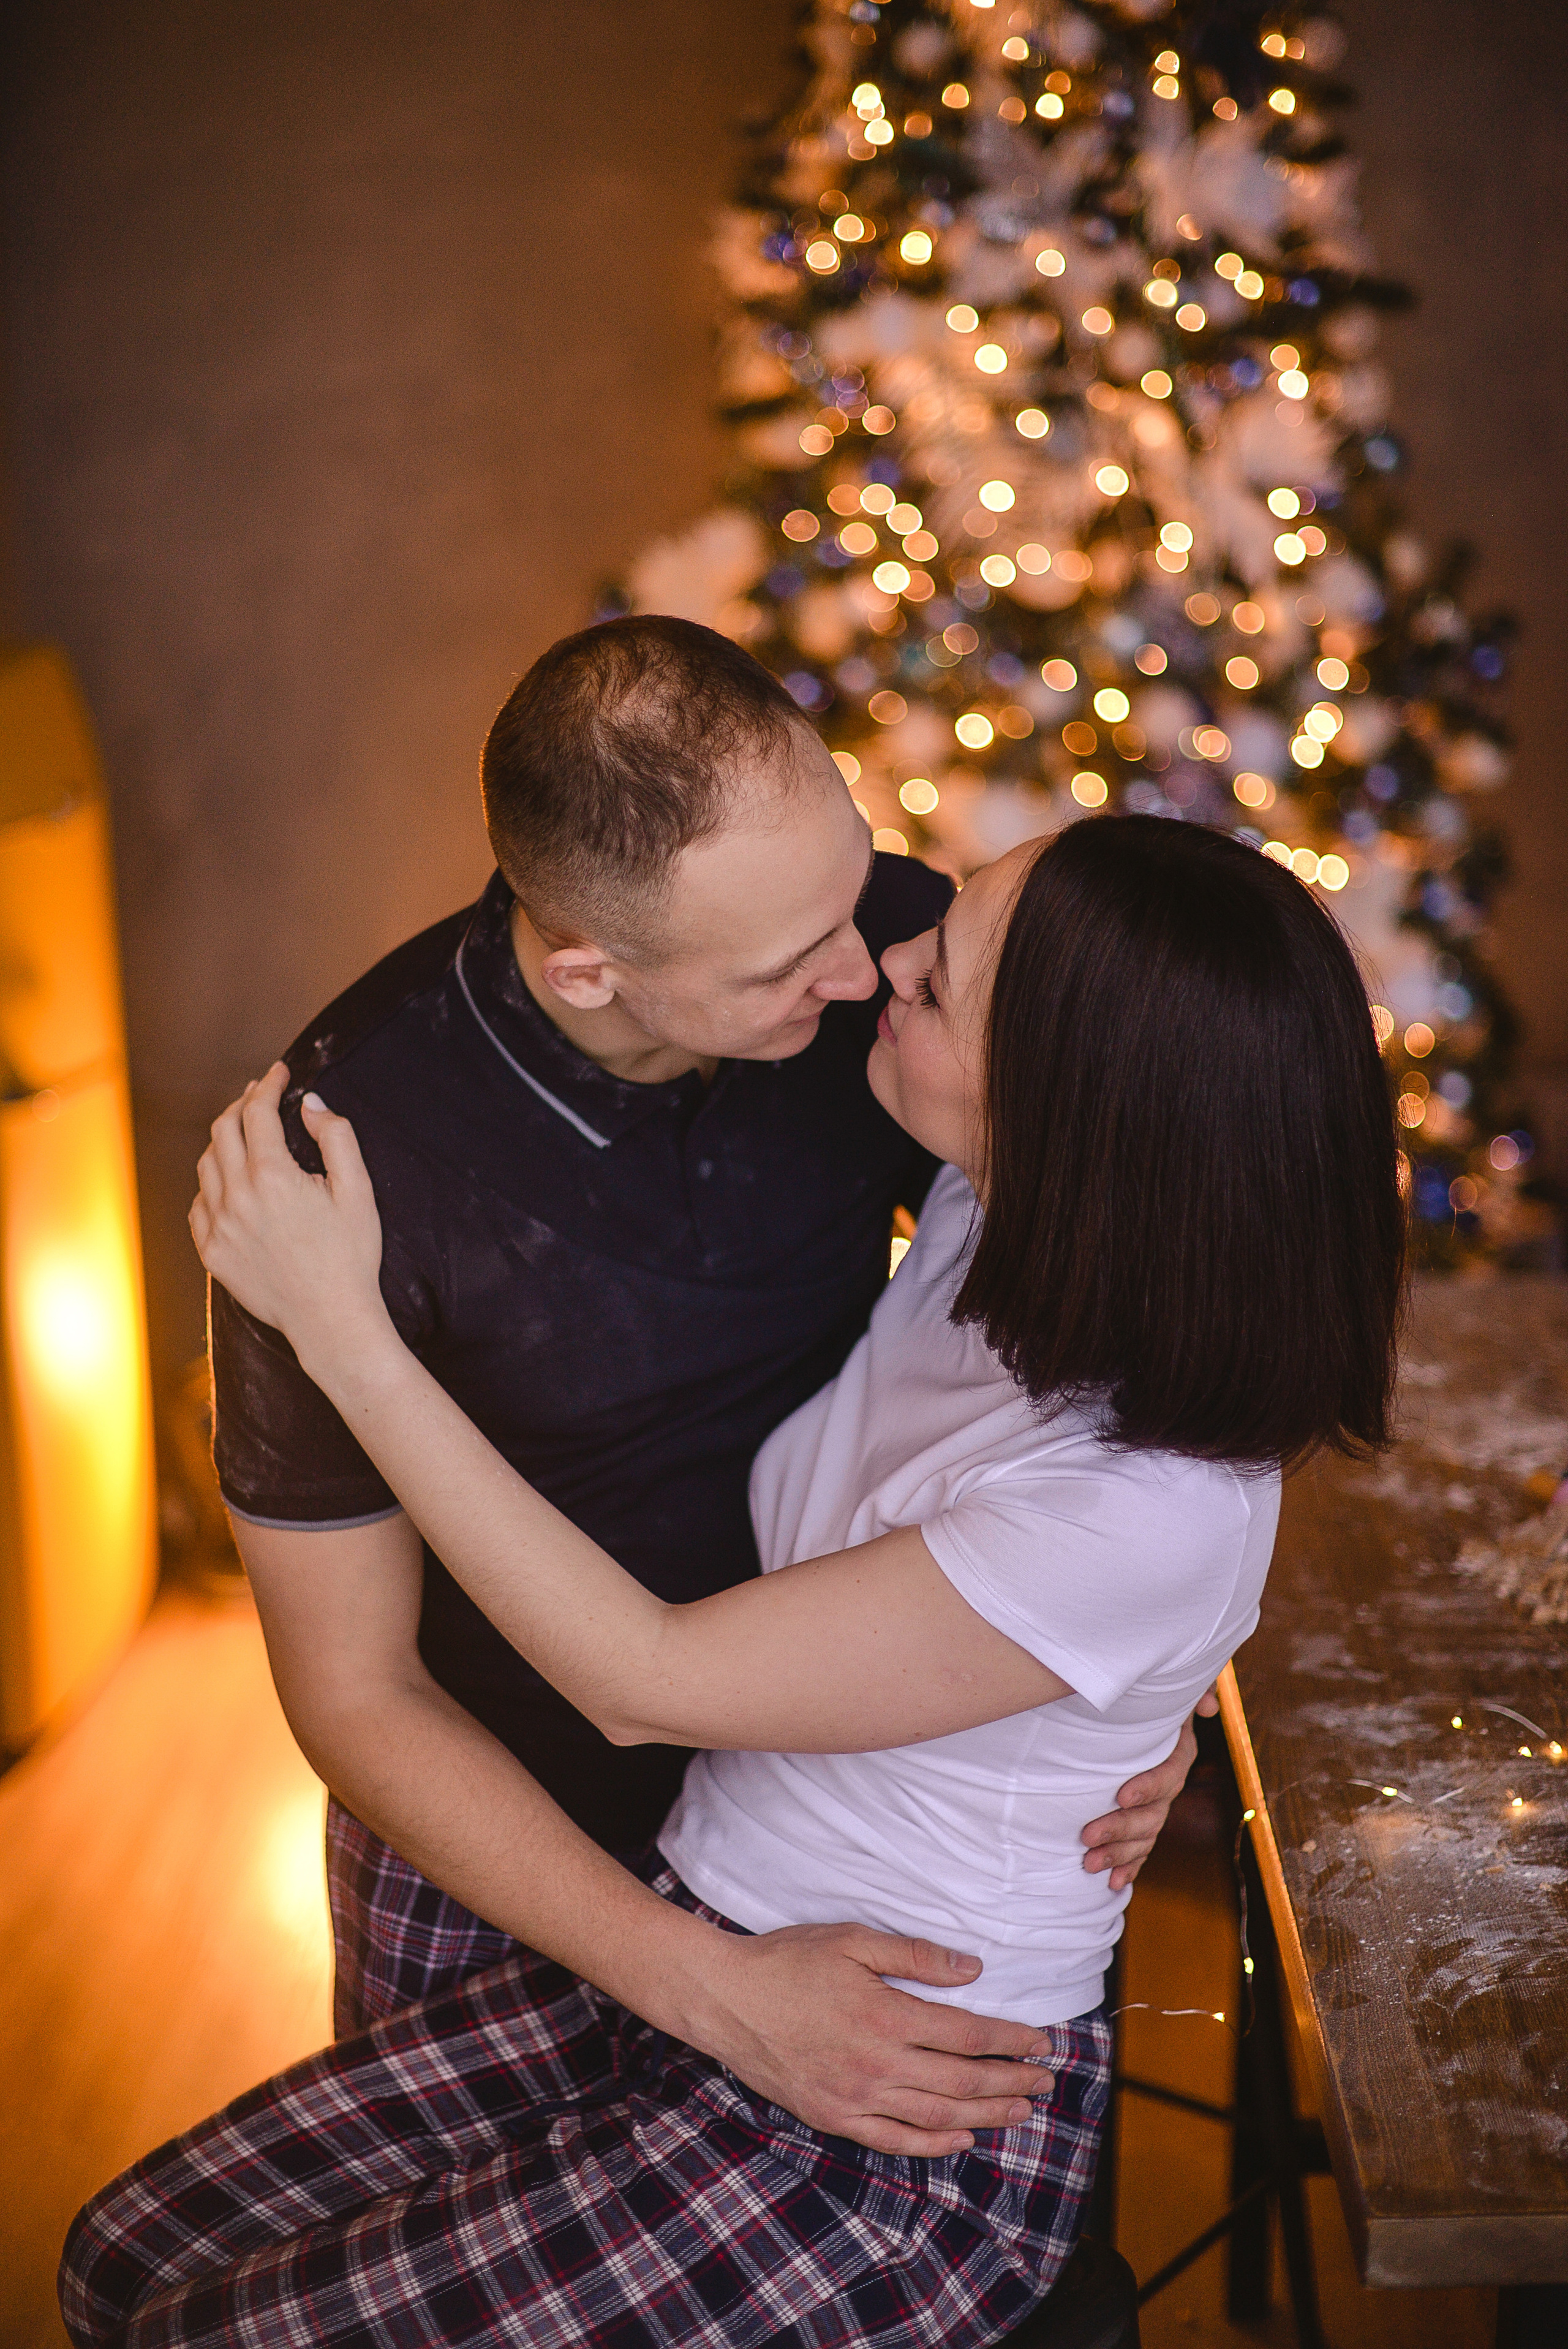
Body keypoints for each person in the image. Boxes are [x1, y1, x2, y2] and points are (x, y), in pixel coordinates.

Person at [63, 812, 1405, 2348]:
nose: (886, 960)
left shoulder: (1138, 1506)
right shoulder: (1000, 1212)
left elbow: (644, 1680)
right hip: (718, 1933)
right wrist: (1127, 1708)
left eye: (936, 979)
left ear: (1067, 1114)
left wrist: (343, 1333)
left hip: (895, 2104)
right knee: (119, 2258)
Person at [203, 615, 1197, 2154]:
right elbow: (353, 1692)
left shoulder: (888, 964)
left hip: (835, 1801)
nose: (866, 967)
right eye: (788, 965)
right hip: (504, 1842)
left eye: (855, 890)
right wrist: (692, 1979)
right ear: (589, 969)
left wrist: (1134, 1692)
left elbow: (1154, 1305)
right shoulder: (335, 1172)